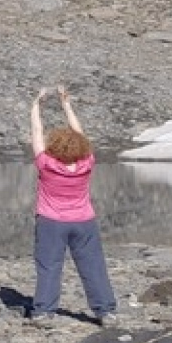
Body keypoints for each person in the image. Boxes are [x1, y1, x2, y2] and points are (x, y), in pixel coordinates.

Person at [27, 86, 117, 326]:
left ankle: (44, 311)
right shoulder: (87, 163)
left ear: (54, 146)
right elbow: (80, 133)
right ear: (81, 148)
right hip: (83, 221)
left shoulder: (46, 163)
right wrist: (66, 105)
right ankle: (105, 311)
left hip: (51, 221)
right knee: (93, 264)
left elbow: (37, 131)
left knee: (49, 265)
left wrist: (36, 105)